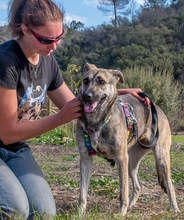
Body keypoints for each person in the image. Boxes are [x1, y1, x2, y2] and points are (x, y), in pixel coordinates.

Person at [0, 0, 149, 219]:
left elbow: (77, 103)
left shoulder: (48, 62)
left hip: (15, 150)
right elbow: (7, 132)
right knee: (16, 209)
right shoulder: (7, 62)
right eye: (46, 40)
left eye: (59, 37)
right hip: (6, 139)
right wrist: (60, 118)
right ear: (24, 30)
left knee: (43, 212)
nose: (54, 46)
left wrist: (119, 92)